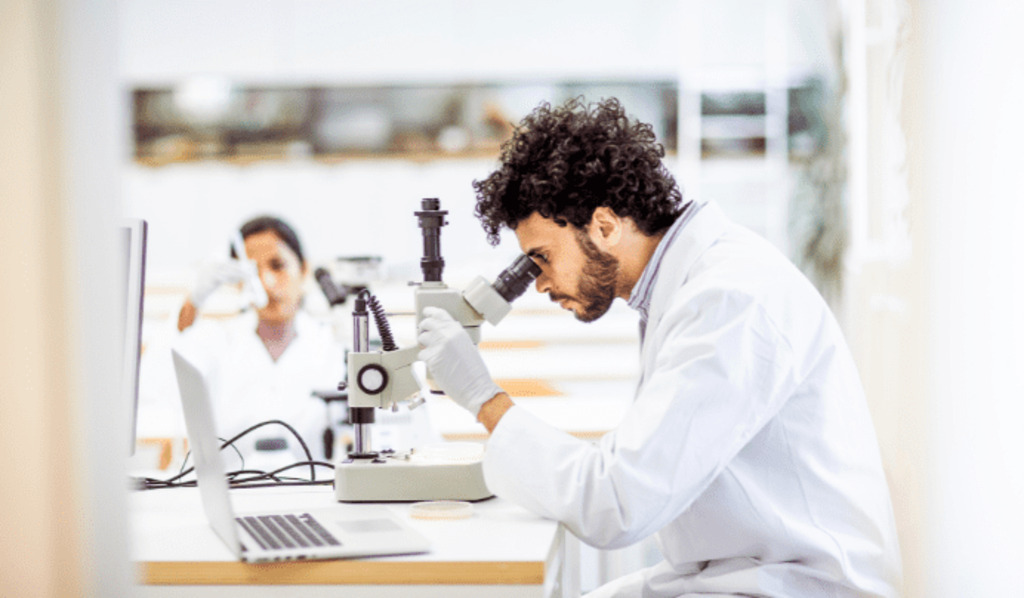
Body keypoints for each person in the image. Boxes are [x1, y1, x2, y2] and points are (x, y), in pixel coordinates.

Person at [416, 97, 902, 597]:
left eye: (541, 258)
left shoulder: (728, 298)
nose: (538, 284)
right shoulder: (688, 286)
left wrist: (483, 399)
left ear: (605, 226)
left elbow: (617, 504)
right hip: (744, 573)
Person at [174, 216, 345, 471]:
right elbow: (163, 376)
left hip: (313, 495)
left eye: (278, 265)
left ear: (304, 269)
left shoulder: (333, 348)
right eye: (252, 271)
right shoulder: (218, 343)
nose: (267, 282)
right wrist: (194, 300)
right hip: (233, 497)